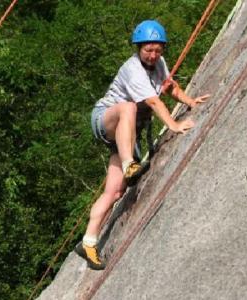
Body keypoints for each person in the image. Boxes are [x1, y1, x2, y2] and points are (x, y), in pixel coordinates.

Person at [75, 20, 210, 270]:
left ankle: (89, 242)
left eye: (158, 50)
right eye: (148, 50)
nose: (153, 55)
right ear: (138, 48)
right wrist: (174, 125)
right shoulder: (133, 69)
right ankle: (129, 163)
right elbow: (153, 102)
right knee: (127, 107)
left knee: (114, 191)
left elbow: (168, 87)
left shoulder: (158, 64)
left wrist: (191, 101)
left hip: (124, 134)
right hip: (106, 118)